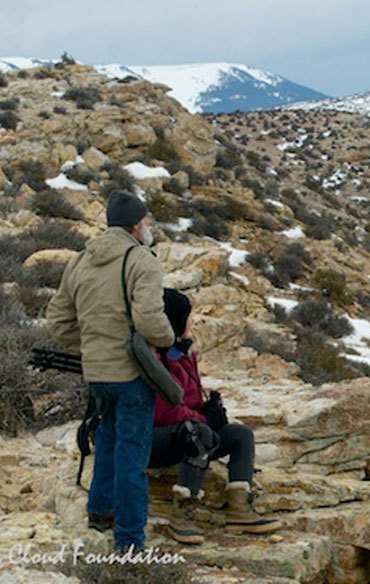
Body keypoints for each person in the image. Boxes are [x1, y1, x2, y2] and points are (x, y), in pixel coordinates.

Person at [46, 191, 174, 552]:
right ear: (136, 225)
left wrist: (89, 344)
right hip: (132, 373)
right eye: (147, 220)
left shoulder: (80, 260)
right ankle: (130, 542)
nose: (149, 226)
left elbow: (58, 320)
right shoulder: (140, 259)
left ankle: (99, 512)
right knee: (133, 453)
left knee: (105, 439)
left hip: (96, 372)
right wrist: (168, 340)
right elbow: (149, 320)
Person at [148, 288, 279, 544]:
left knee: (240, 434)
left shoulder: (182, 354)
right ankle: (182, 513)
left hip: (187, 431)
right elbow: (163, 412)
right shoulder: (155, 359)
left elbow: (188, 402)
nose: (193, 321)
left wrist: (209, 411)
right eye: (188, 316)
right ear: (175, 321)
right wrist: (203, 421)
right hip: (155, 439)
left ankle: (239, 509)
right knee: (199, 432)